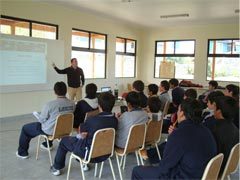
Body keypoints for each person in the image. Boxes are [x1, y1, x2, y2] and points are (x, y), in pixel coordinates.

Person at [132, 99, 217, 179]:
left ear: (182, 113)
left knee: (137, 171)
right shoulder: (206, 130)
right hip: (201, 174)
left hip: (184, 176)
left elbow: (164, 167)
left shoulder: (179, 134)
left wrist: (172, 138)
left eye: (178, 110)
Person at [50, 92, 118, 176]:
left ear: (99, 105)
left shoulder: (92, 120)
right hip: (106, 153)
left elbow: (81, 132)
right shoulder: (115, 120)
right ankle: (83, 164)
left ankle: (57, 167)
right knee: (83, 139)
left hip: (89, 154)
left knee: (64, 141)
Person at [16, 82, 75, 159]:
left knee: (26, 128)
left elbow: (42, 120)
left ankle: (22, 153)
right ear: (66, 91)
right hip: (65, 130)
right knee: (52, 122)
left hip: (51, 131)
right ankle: (47, 144)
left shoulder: (50, 105)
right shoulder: (72, 103)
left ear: (55, 91)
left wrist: (37, 115)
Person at [210, 96, 239, 175]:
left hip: (215, 170)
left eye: (215, 107)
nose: (213, 110)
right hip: (228, 168)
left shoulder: (214, 130)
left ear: (219, 111)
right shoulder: (235, 129)